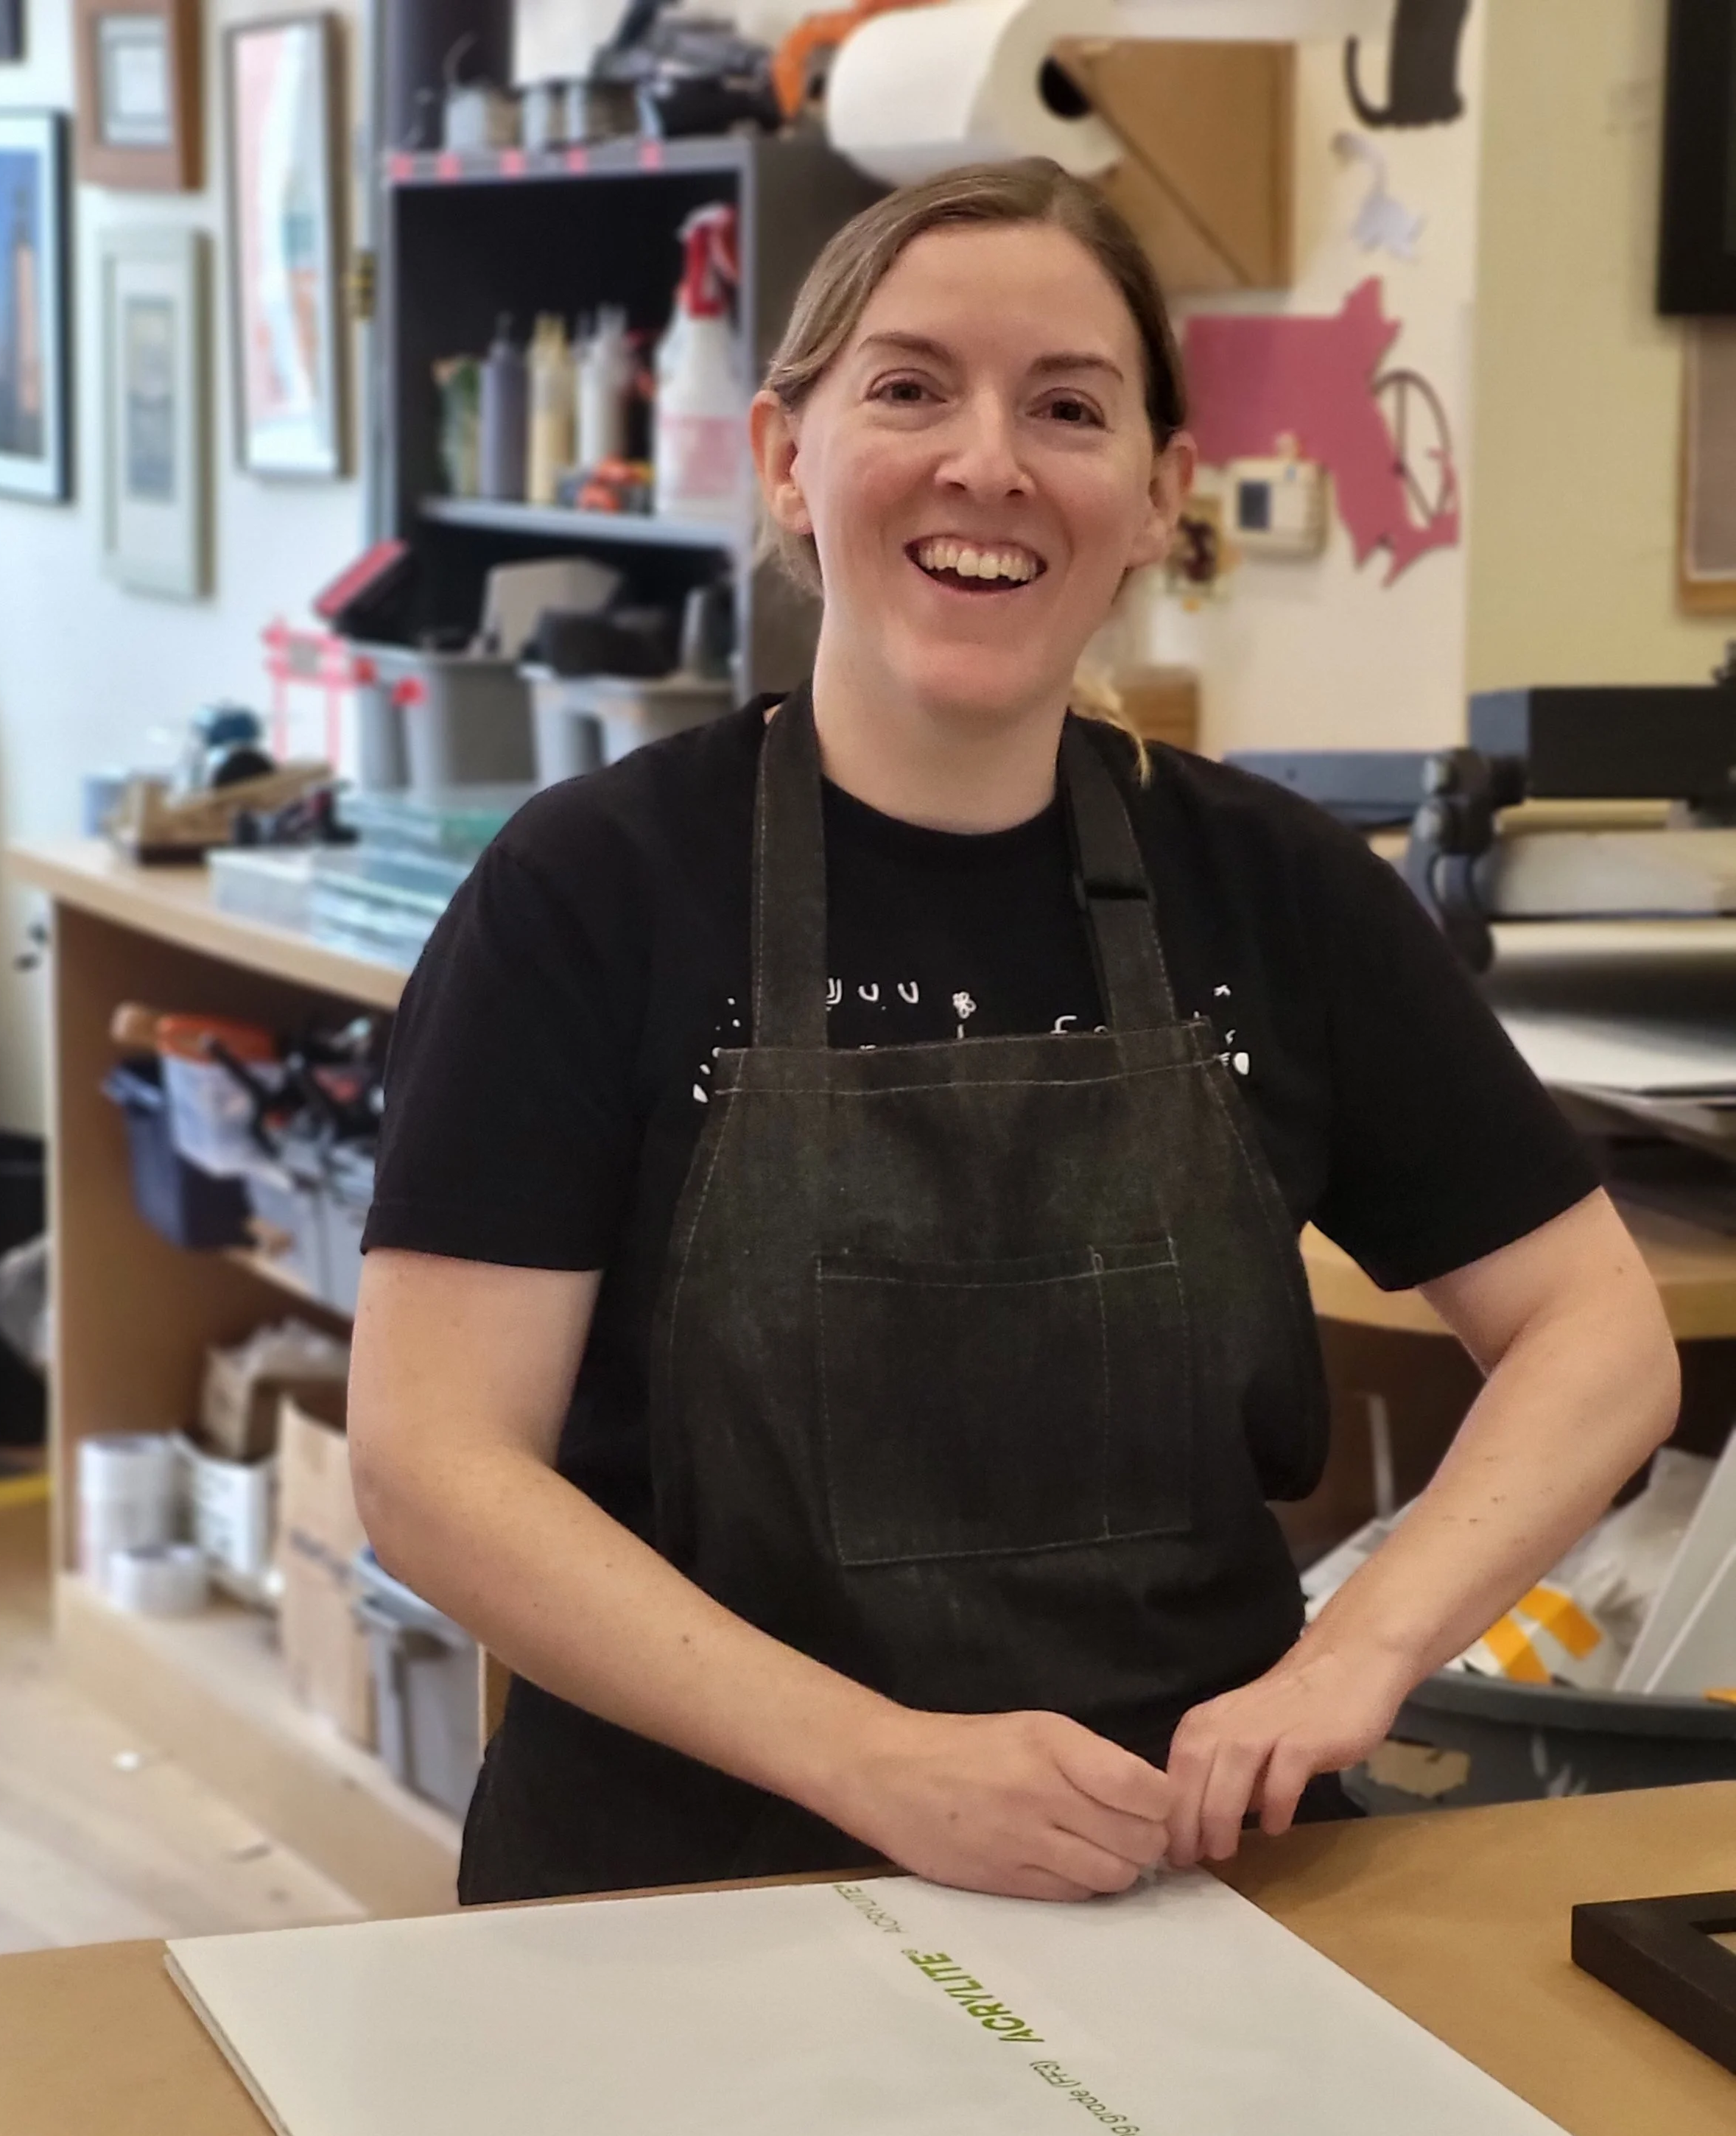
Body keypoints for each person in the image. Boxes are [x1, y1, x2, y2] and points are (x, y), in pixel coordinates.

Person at [348, 160, 1678, 1908]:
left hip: (1189, 1874)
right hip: (687, 1891)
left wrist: (1354, 1656)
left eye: (1066, 406)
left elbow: (1594, 1331)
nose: (987, 459)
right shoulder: (590, 891)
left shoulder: (1272, 888)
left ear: (1154, 495)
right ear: (784, 461)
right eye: (907, 389)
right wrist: (875, 1760)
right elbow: (432, 1466)